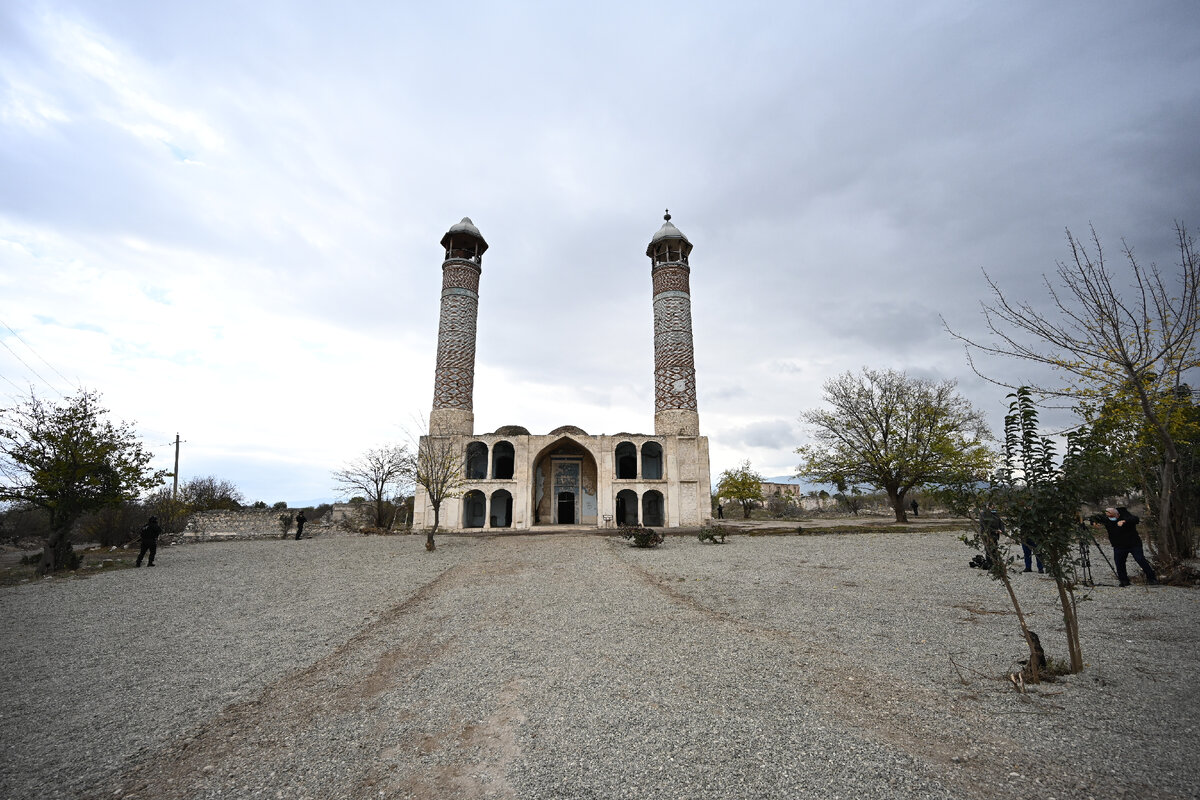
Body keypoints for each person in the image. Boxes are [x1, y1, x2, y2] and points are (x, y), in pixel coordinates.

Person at [1097, 507, 1158, 587]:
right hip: (1119, 545)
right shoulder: (1107, 520)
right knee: (1119, 563)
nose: (1110, 518)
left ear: (1117, 514)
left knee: (1140, 559)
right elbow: (1096, 519)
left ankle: (1152, 578)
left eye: (1112, 516)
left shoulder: (1126, 516)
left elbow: (1135, 519)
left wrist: (1125, 521)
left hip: (1133, 544)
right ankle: (1124, 580)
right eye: (1108, 516)